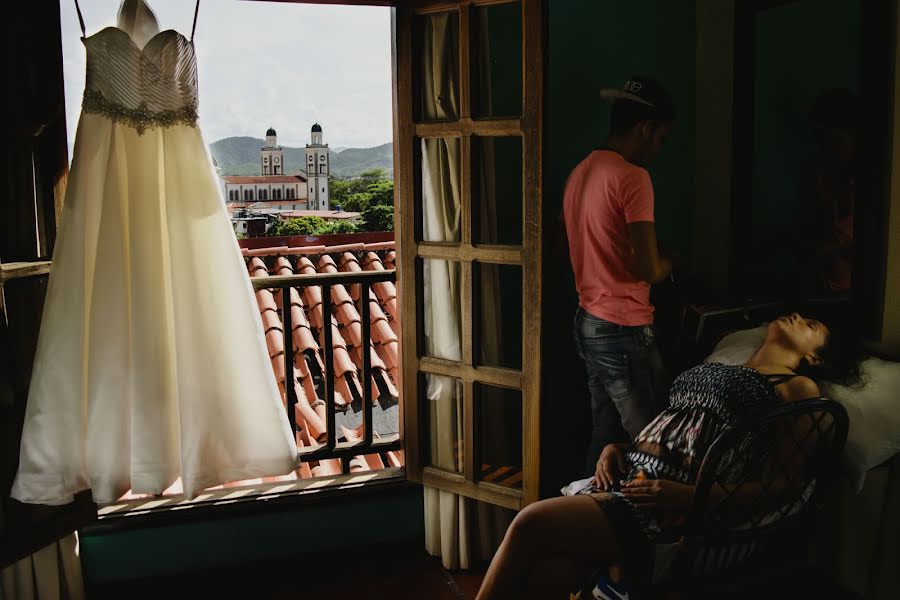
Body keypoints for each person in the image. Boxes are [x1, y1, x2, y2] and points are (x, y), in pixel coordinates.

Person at [475, 313, 861, 600]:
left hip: (664, 506)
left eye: (811, 325)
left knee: (529, 523)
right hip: (632, 473)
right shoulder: (727, 367)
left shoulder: (799, 387)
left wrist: (688, 497)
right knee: (550, 573)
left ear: (813, 358)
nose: (798, 317)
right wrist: (619, 449)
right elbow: (681, 429)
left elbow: (785, 486)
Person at [562, 76, 676, 477]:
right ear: (645, 128)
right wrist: (669, 263)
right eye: (660, 138)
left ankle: (580, 519)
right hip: (624, 326)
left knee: (604, 435)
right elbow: (646, 267)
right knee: (653, 440)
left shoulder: (580, 173)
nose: (658, 150)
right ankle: (648, 533)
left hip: (589, 320)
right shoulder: (632, 177)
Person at [804, 88, 859, 294]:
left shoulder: (878, 186)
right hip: (827, 286)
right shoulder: (826, 180)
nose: (827, 153)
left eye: (836, 143)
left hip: (861, 294)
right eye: (821, 144)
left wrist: (834, 251)